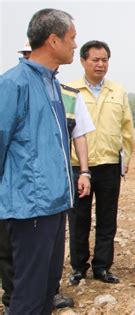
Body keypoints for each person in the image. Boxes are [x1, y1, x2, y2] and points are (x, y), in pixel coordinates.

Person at [0, 8, 89, 314]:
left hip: (55, 204)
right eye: (72, 38)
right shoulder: (13, 84)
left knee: (46, 292)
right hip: (29, 208)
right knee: (27, 295)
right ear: (53, 40)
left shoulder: (51, 83)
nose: (75, 45)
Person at [67, 40, 134, 285]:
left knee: (107, 218)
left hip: (109, 163)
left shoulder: (117, 91)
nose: (100, 64)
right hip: (78, 165)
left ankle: (102, 266)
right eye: (95, 59)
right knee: (78, 219)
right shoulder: (70, 90)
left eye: (104, 59)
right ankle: (78, 267)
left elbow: (127, 128)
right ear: (83, 61)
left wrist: (125, 159)